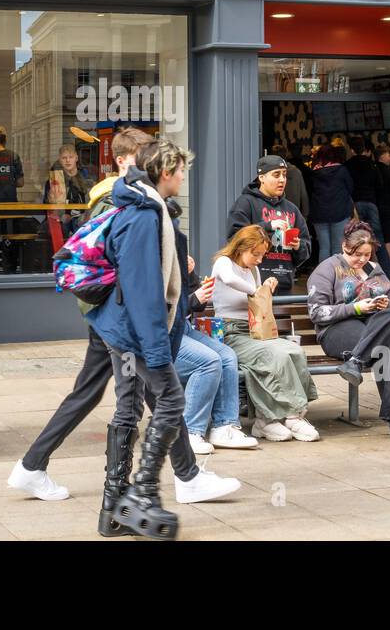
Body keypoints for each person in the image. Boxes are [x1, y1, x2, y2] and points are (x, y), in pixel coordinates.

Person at [7, 128, 237, 523]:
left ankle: (49, 473)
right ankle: (139, 495)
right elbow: (136, 278)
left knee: (120, 397)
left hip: (114, 318)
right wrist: (152, 339)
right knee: (144, 401)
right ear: (130, 162)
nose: (181, 177)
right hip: (121, 320)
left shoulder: (140, 202)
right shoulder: (130, 204)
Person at [84, 140, 237, 540]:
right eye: (181, 170)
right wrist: (155, 347)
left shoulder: (149, 208)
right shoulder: (143, 215)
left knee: (129, 409)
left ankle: (113, 511)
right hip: (134, 333)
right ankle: (143, 492)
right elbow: (142, 289)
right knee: (171, 400)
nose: (184, 177)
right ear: (166, 172)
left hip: (129, 331)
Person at [307, 220, 390, 441]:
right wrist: (355, 307)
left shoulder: (373, 269)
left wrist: (384, 304)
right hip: (336, 330)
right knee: (383, 350)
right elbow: (317, 312)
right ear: (345, 247)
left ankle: (355, 362)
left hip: (372, 327)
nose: (363, 260)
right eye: (358, 255)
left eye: (368, 254)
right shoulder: (327, 268)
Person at [210, 225, 320, 443]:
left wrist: (267, 287)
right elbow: (231, 280)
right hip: (229, 332)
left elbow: (258, 302)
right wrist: (256, 290)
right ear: (241, 247)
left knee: (293, 350)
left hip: (253, 330)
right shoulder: (224, 262)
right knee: (273, 356)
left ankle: (285, 416)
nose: (260, 260)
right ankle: (287, 415)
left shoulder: (254, 270)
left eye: (262, 254)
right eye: (256, 254)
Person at [171, 203, 260, 454]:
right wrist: (193, 298)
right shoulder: (150, 257)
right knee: (208, 361)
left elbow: (194, 306)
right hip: (162, 335)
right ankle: (191, 431)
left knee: (227, 356)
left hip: (182, 328)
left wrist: (191, 279)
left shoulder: (175, 252)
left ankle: (225, 426)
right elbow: (158, 308)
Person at [226, 155, 311, 295]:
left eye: (284, 174)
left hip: (284, 284)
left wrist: (298, 245)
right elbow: (234, 237)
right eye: (276, 175)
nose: (282, 180)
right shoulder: (245, 203)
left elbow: (306, 249)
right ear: (262, 177)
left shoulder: (292, 209)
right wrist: (267, 226)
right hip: (252, 284)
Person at [346, 136, 390, 281]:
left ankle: (362, 274)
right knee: (377, 239)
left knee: (357, 239)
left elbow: (347, 186)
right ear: (365, 149)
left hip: (356, 205)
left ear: (352, 150)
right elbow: (379, 184)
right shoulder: (371, 164)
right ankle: (388, 273)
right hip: (372, 204)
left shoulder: (347, 165)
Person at [308, 143, 355, 265]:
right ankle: (337, 278)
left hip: (319, 214)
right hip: (339, 212)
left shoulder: (313, 173)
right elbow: (351, 188)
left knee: (323, 247)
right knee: (337, 247)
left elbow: (309, 192)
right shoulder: (342, 170)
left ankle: (323, 278)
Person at [269, 143, 310, 220]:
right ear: (286, 155)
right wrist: (305, 215)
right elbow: (303, 194)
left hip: (273, 215)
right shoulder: (296, 172)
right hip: (292, 215)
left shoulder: (268, 173)